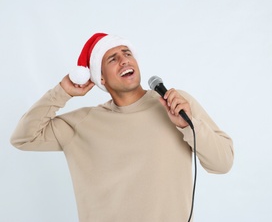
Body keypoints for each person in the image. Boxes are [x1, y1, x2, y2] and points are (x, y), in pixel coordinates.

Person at [10, 33, 234, 222]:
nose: (124, 60)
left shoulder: (174, 103)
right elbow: (23, 138)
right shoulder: (83, 123)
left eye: (127, 53)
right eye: (112, 59)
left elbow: (222, 162)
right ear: (101, 79)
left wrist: (188, 125)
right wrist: (63, 91)